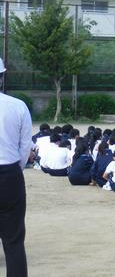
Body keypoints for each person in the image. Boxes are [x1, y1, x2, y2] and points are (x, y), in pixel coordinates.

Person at [0, 57, 32, 277]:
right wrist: (14, 169)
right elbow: (24, 147)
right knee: (13, 240)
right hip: (9, 174)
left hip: (10, 171)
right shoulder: (18, 106)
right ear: (1, 77)